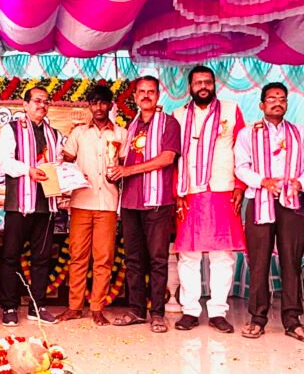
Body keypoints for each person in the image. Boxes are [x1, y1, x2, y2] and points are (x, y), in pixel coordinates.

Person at [234, 83, 304, 342]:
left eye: (282, 98)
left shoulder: (300, 132)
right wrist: (263, 181)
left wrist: (299, 183)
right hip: (260, 200)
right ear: (262, 105)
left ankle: (292, 320)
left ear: (287, 104)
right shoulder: (248, 133)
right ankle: (257, 319)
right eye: (271, 98)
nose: (277, 102)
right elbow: (241, 167)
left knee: (291, 261)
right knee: (258, 262)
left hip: (292, 203)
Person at [173, 65, 245, 334]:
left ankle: (217, 312)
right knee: (188, 255)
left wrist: (240, 185)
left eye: (207, 82)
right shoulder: (178, 115)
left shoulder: (231, 110)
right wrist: (177, 193)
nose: (203, 86)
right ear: (190, 87)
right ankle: (190, 310)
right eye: (198, 82)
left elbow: (242, 150)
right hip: (189, 191)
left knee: (222, 255)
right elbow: (174, 158)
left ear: (214, 84)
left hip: (222, 189)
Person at [108, 76, 180, 333]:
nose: (146, 95)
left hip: (157, 201)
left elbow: (167, 158)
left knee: (158, 260)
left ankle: (157, 313)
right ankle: (137, 310)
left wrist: (128, 170)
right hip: (130, 202)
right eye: (141, 91)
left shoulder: (169, 123)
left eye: (151, 91)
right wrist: (115, 169)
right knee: (133, 259)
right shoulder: (131, 126)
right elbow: (123, 159)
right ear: (135, 97)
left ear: (158, 95)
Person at [57, 86, 127, 326]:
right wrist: (73, 175)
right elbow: (65, 161)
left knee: (103, 258)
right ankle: (74, 307)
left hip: (108, 203)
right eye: (94, 103)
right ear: (89, 106)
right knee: (77, 256)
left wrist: (119, 173)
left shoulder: (121, 134)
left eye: (103, 103)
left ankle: (97, 308)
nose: (98, 107)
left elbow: (125, 167)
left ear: (110, 105)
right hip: (81, 202)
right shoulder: (78, 133)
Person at [0, 86, 63, 326]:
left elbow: (57, 164)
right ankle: (9, 307)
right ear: (25, 104)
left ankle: (37, 306)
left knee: (42, 258)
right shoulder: (11, 129)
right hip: (19, 204)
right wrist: (28, 170)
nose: (41, 105)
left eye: (46, 101)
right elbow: (4, 162)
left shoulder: (53, 134)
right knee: (10, 256)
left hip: (46, 203)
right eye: (36, 100)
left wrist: (68, 177)